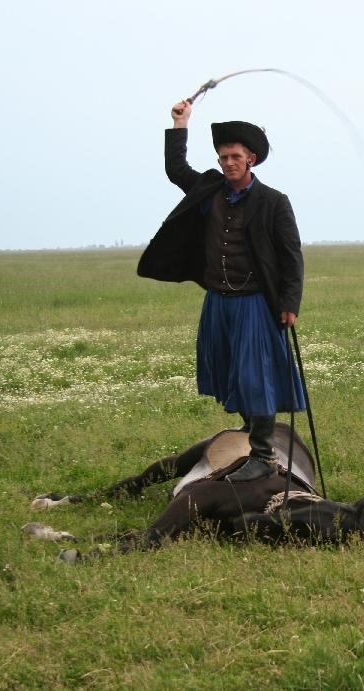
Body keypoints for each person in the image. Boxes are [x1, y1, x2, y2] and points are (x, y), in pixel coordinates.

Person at [138, 99, 306, 482]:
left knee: (256, 377)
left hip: (255, 303)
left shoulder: (274, 202)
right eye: (222, 157)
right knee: (232, 372)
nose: (227, 162)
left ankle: (263, 456)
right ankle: (251, 435)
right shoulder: (209, 190)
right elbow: (175, 169)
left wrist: (289, 303)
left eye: (234, 156)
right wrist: (181, 125)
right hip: (218, 301)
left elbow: (291, 257)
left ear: (252, 159)